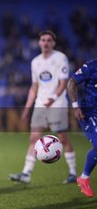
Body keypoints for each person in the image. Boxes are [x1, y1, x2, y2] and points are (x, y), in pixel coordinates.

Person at [9, 30, 77, 184]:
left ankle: (73, 172)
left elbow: (63, 83)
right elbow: (34, 87)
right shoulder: (35, 62)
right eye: (43, 40)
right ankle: (26, 173)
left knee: (63, 138)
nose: (45, 43)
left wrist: (52, 99)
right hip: (40, 103)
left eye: (48, 40)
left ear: (53, 43)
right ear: (39, 42)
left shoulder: (60, 58)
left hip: (57, 103)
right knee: (33, 137)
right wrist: (27, 107)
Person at [67, 59, 97, 198]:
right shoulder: (91, 66)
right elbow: (71, 82)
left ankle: (83, 178)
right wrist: (75, 106)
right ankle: (84, 178)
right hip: (89, 112)